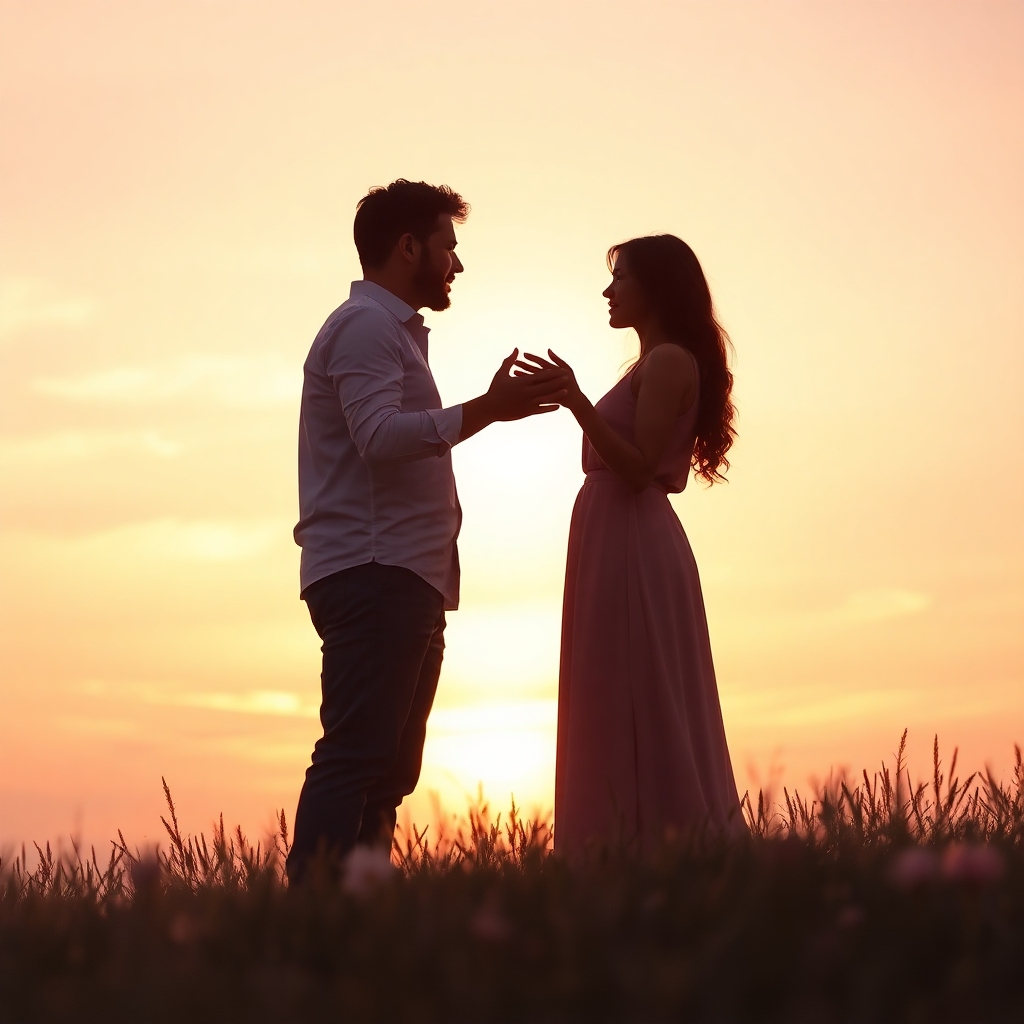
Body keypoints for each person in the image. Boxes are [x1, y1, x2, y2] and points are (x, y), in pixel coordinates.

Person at [287, 179, 567, 883]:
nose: (456, 263)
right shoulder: (366, 329)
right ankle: (311, 911)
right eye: (448, 245)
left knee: (387, 769)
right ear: (408, 246)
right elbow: (378, 437)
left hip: (405, 577)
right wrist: (488, 409)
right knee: (358, 755)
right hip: (374, 572)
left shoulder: (389, 333)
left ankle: (358, 908)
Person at [517, 234, 743, 856]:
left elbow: (640, 467)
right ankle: (619, 845)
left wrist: (576, 403)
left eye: (621, 278)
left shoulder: (669, 361)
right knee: (609, 694)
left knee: (638, 690)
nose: (609, 290)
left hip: (633, 545)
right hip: (613, 539)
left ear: (656, 287)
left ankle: (656, 846)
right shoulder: (652, 363)